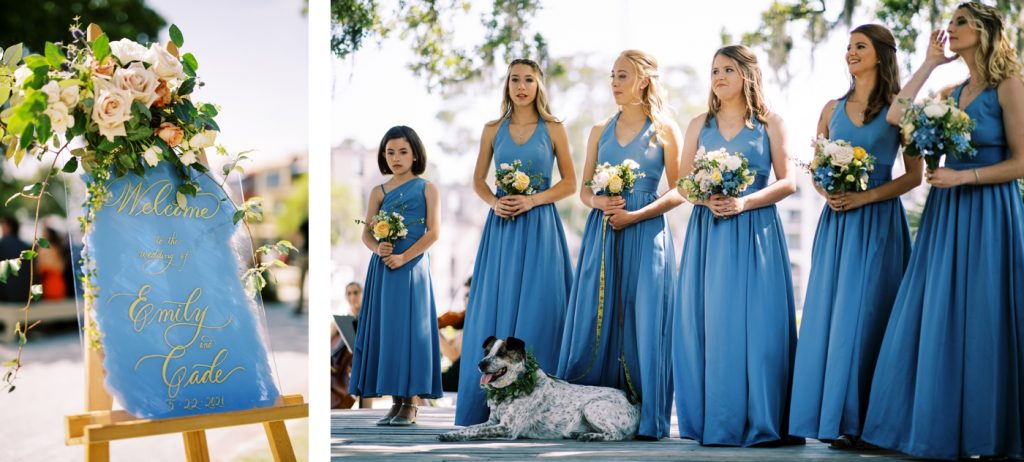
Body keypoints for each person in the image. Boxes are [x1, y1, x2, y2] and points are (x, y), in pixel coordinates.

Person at [861, 3, 1024, 460]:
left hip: (990, 208)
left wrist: (964, 177)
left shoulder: (1009, 86)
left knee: (986, 312)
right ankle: (933, 427)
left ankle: (988, 434)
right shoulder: (950, 92)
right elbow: (897, 115)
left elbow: (1022, 160)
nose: (949, 29)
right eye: (950, 21)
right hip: (947, 213)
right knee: (937, 308)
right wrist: (930, 64)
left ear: (986, 31)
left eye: (960, 22)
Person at [788, 24, 922, 449]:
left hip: (880, 223)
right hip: (838, 226)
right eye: (848, 47)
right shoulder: (830, 109)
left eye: (859, 47)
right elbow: (815, 170)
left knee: (872, 316)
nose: (850, 53)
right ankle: (840, 421)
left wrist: (868, 198)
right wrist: (828, 191)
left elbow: (915, 176)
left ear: (881, 55)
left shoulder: (901, 110)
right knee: (836, 319)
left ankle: (876, 424)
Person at [672, 45, 799, 447]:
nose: (719, 77)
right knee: (712, 327)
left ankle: (764, 418)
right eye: (714, 70)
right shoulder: (698, 124)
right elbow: (682, 183)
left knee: (759, 330)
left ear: (747, 74)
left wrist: (744, 201)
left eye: (728, 69)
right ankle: (717, 420)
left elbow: (788, 182)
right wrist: (704, 195)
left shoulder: (771, 123)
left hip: (756, 233)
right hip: (709, 236)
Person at [557, 50, 683, 440]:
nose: (614, 83)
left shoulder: (665, 129)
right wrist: (600, 202)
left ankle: (648, 419)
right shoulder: (599, 130)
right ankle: (589, 412)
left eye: (622, 76)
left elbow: (681, 190)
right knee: (597, 317)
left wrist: (637, 215)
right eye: (612, 75)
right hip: (604, 232)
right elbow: (583, 191)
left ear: (643, 80)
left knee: (645, 318)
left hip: (647, 234)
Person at [455, 58, 576, 426]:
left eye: (528, 80)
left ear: (539, 85)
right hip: (502, 229)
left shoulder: (553, 129)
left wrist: (533, 200)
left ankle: (543, 410)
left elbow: (569, 183)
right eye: (514, 80)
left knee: (541, 305)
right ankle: (486, 408)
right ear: (506, 85)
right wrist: (495, 202)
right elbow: (478, 180)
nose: (521, 86)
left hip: (540, 226)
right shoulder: (492, 129)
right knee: (497, 303)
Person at [348, 126, 443, 426]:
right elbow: (366, 233)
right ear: (382, 156)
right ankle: (395, 401)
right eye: (390, 152)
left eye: (403, 151)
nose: (397, 157)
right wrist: (379, 248)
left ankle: (412, 403)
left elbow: (434, 232)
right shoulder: (378, 191)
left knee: (411, 332)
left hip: (412, 268)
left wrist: (403, 256)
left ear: (415, 153)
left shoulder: (428, 188)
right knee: (387, 331)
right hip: (384, 269)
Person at [438, 276, 470, 392]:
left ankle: (416, 408)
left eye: (468, 295)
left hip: (458, 379)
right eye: (464, 296)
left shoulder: (474, 325)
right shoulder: (467, 321)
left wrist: (434, 332)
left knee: (417, 379)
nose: (464, 300)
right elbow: (452, 344)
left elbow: (453, 354)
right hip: (454, 374)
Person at [0, 216, 31, 303]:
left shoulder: (2, 245)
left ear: (8, 227)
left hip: (5, 296)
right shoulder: (26, 247)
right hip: (24, 295)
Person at [36, 227, 68, 300]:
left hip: (51, 276)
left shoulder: (46, 247)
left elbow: (40, 263)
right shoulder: (56, 247)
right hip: (52, 275)